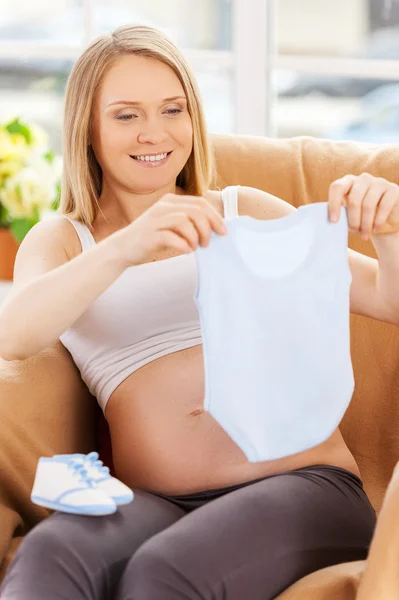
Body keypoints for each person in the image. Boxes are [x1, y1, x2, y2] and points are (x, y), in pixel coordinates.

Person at [1, 22, 399, 600]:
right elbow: (13, 335)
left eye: (172, 109)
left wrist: (388, 234)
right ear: (86, 126)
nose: (153, 133)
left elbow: (389, 301)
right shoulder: (65, 240)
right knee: (52, 555)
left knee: (162, 576)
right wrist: (128, 246)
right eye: (126, 114)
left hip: (304, 485)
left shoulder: (245, 212)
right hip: (157, 503)